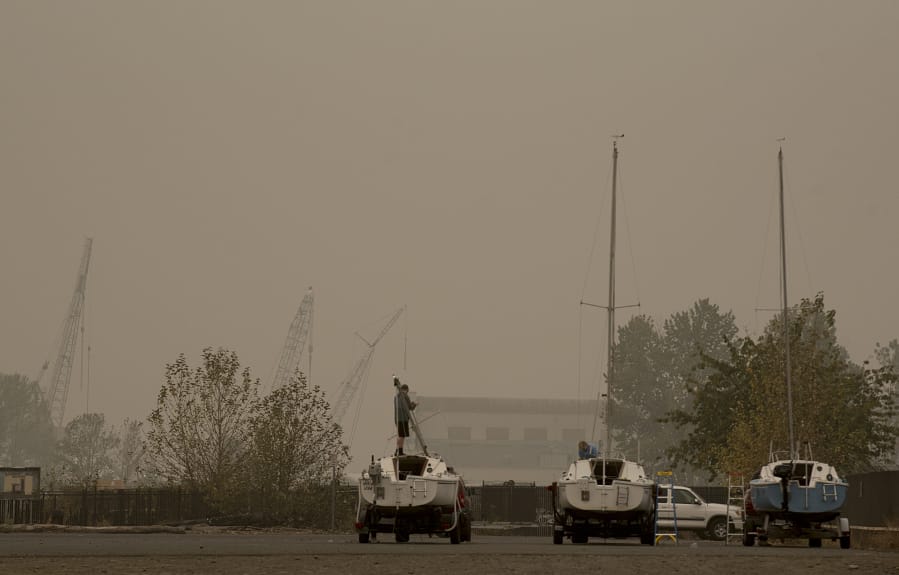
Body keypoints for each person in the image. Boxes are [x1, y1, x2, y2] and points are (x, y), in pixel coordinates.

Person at [394, 376, 416, 456]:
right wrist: (414, 404)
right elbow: (410, 407)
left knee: (400, 435)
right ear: (406, 390)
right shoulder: (405, 396)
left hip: (397, 419)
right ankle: (400, 451)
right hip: (403, 419)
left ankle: (397, 450)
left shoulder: (396, 397)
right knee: (402, 436)